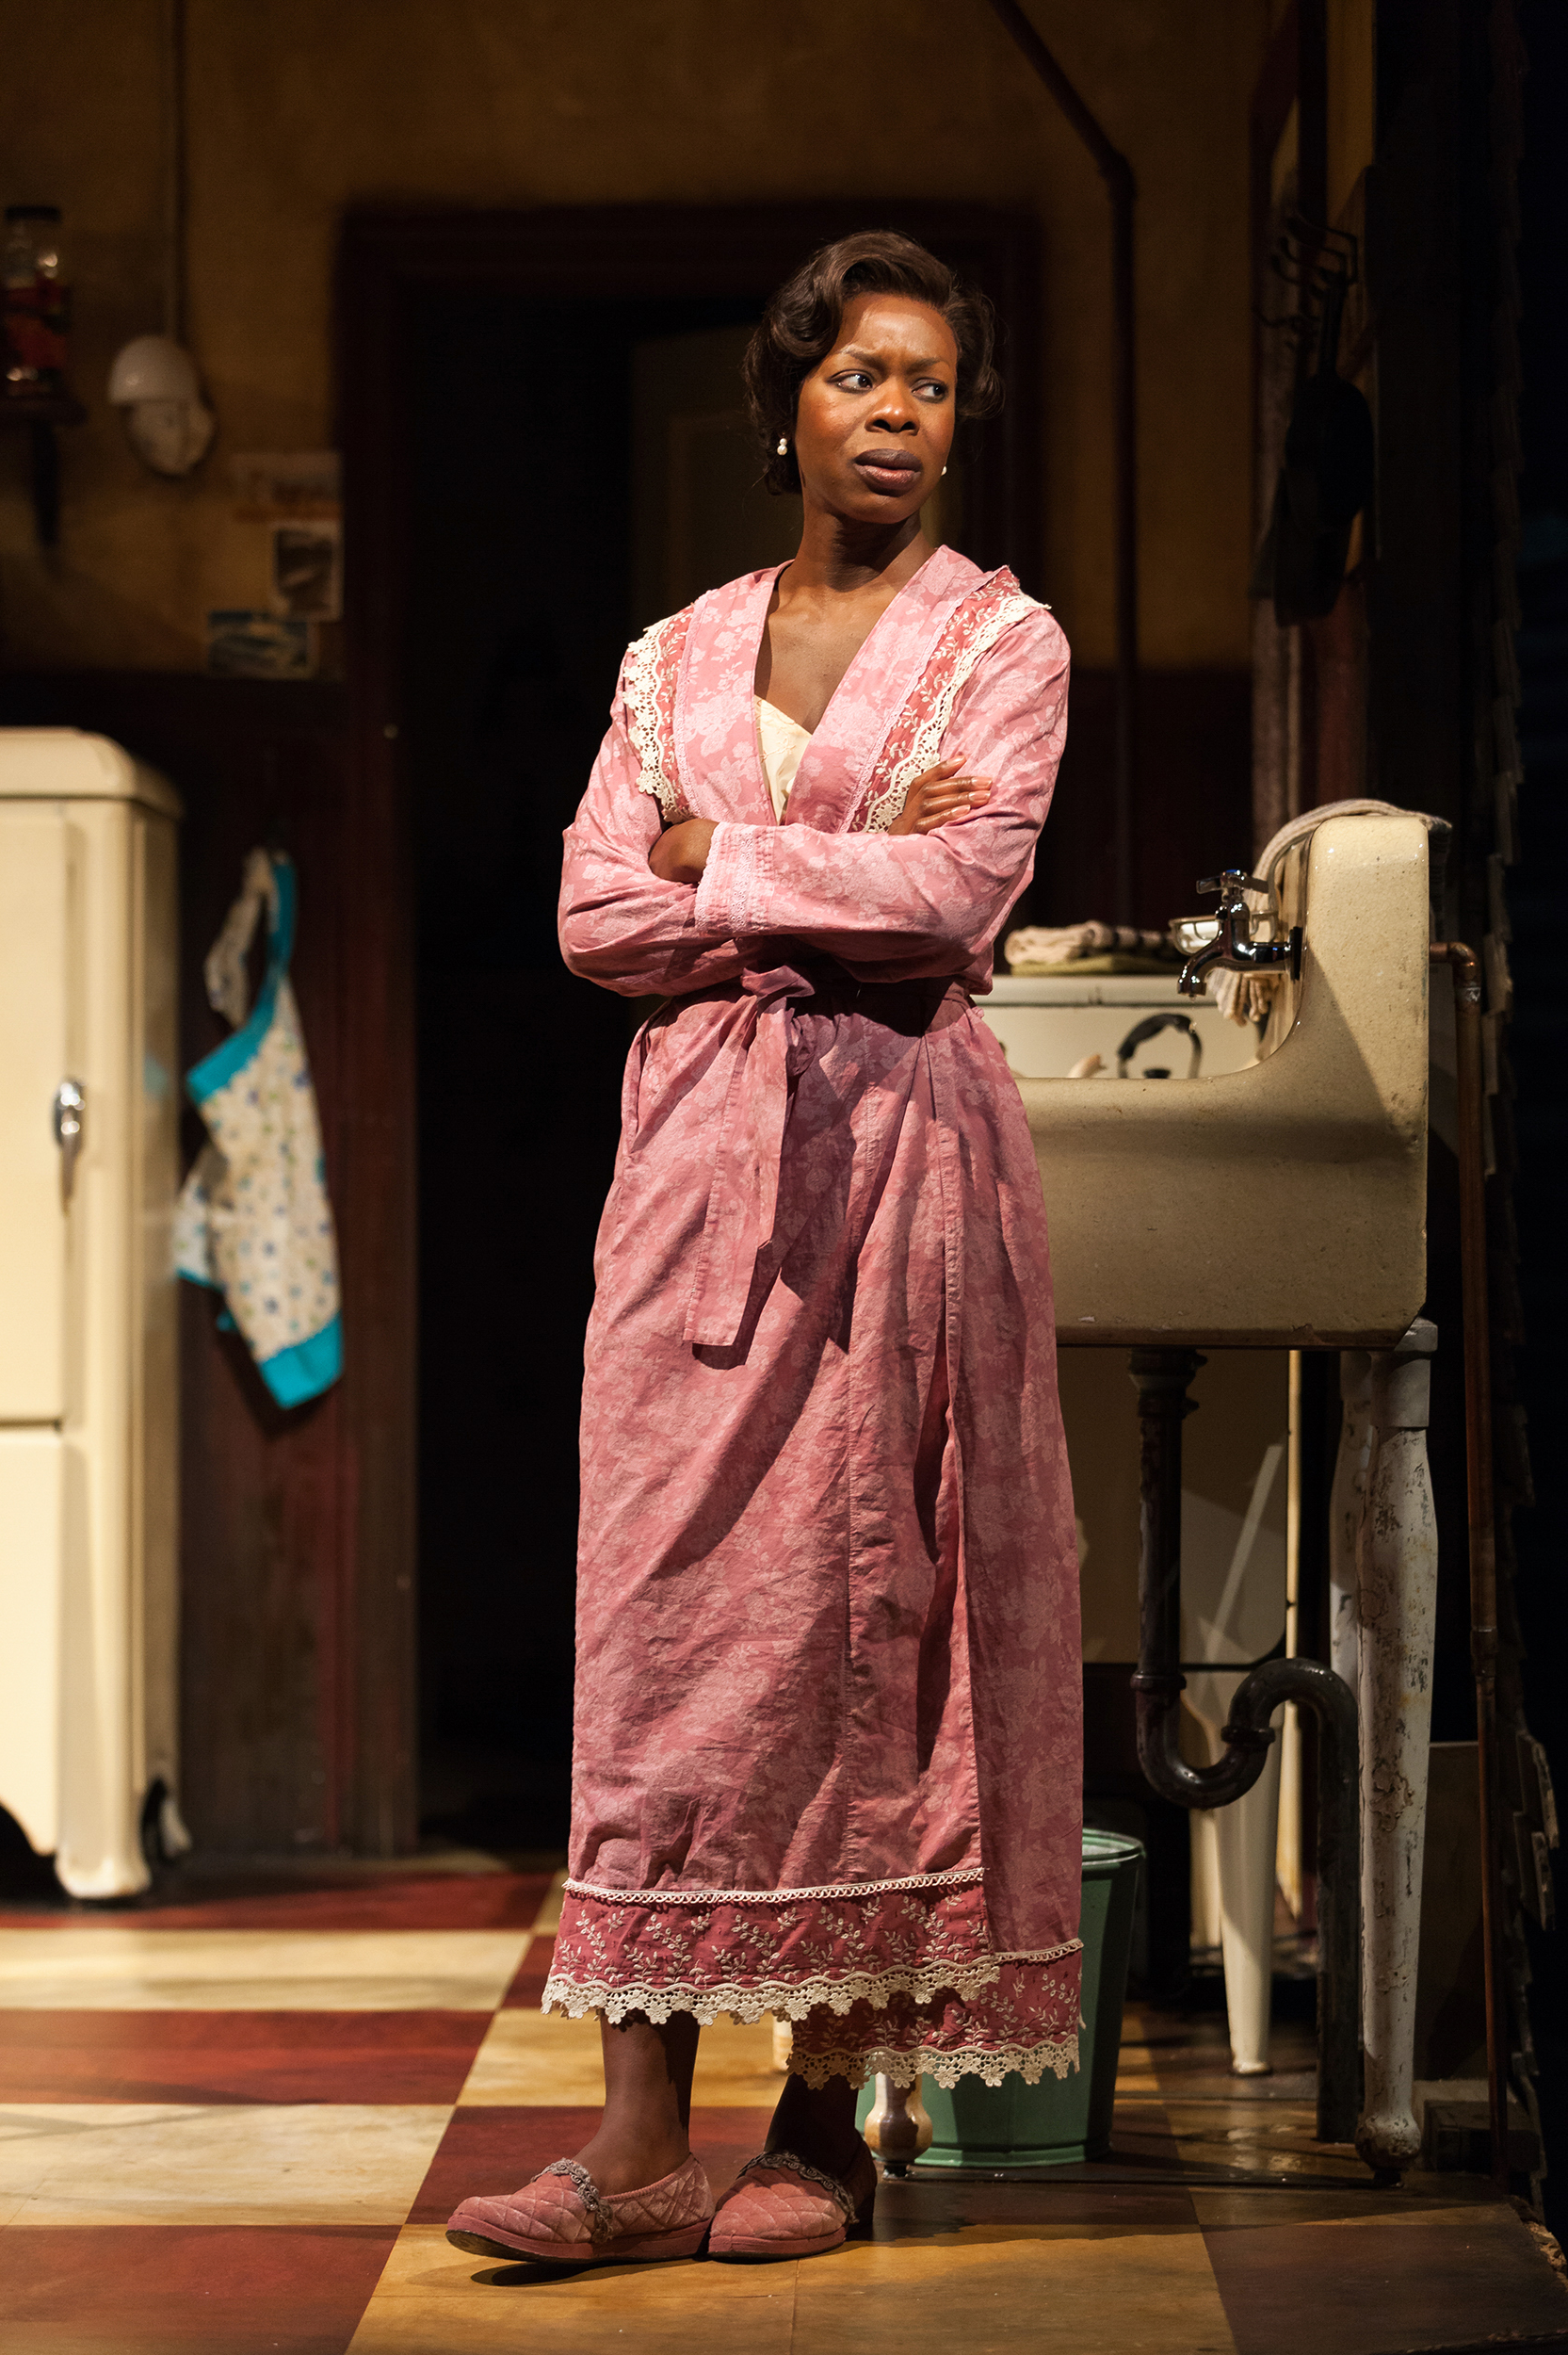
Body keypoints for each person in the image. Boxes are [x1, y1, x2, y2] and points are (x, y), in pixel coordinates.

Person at [447, 228, 1081, 2272]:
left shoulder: (1008, 644)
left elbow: (964, 889)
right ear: (787, 403)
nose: (898, 414)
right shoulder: (673, 653)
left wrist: (736, 862)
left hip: (906, 1159)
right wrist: (806, 890)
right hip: (702, 1153)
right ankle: (633, 2134)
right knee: (654, 1614)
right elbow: (593, 915)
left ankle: (826, 2110)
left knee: (859, 1613)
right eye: (862, 377)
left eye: (932, 384)